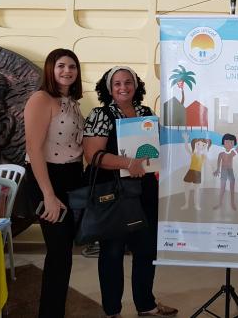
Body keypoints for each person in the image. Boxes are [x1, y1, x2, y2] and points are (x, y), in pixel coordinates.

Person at [83, 66, 178, 318]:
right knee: (112, 252)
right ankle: (112, 310)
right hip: (114, 193)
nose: (123, 87)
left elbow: (156, 148)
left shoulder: (146, 113)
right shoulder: (100, 114)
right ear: (109, 88)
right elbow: (93, 155)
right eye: (117, 83)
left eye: (128, 82)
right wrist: (128, 163)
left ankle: (146, 305)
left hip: (144, 190)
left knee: (146, 249)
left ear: (136, 86)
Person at [24, 48, 85, 318]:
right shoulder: (41, 98)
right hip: (49, 179)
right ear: (51, 69)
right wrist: (48, 195)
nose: (67, 71)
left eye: (72, 66)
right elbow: (34, 149)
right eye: (61, 65)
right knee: (59, 253)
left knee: (64, 253)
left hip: (72, 177)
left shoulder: (72, 102)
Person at [213, 133, 238, 211]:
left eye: (231, 142)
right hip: (223, 171)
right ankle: (220, 203)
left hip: (230, 171)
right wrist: (217, 169)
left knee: (232, 188)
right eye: (227, 142)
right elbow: (219, 162)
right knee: (222, 188)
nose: (229, 144)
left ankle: (232, 203)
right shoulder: (221, 154)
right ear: (223, 143)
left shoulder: (232, 153)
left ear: (233, 144)